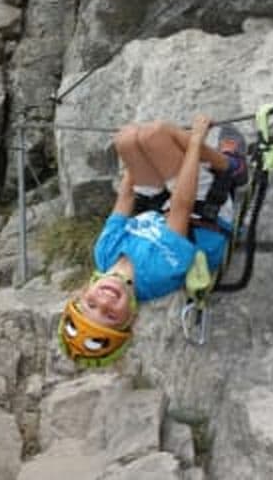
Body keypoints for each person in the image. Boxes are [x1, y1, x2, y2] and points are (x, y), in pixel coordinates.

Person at [58, 113, 248, 367]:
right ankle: (232, 166)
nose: (104, 300)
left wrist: (133, 156)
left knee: (126, 139)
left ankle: (149, 145)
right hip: (203, 212)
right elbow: (183, 204)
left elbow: (125, 200)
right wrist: (195, 141)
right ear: (130, 317)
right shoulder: (157, 274)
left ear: (81, 293)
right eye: (110, 314)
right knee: (157, 134)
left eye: (91, 303)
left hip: (163, 209)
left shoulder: (104, 255)